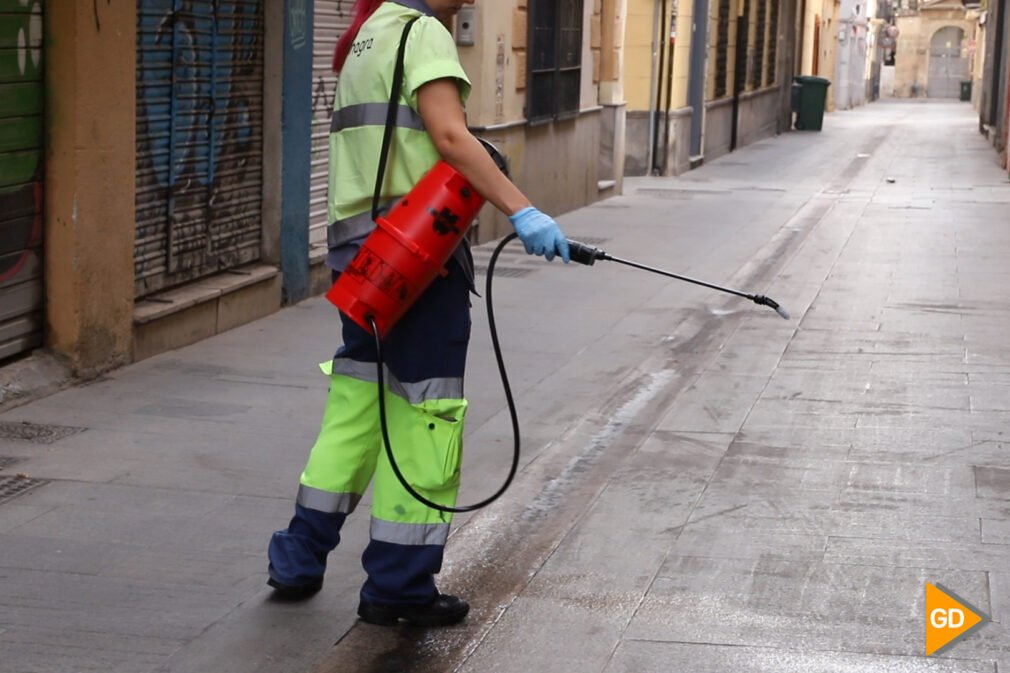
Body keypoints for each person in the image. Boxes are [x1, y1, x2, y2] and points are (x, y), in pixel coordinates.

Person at [266, 0, 570, 628]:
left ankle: (297, 557)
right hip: (415, 261)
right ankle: (400, 588)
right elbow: (450, 137)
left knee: (355, 411)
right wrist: (522, 209)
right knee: (426, 416)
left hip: (363, 262)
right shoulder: (423, 32)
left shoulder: (365, 35)